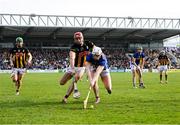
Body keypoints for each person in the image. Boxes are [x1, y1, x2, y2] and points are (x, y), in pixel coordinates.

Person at [60, 32, 94, 103]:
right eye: (76, 39)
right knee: (62, 82)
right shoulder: (73, 47)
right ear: (74, 39)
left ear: (82, 38)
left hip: (82, 68)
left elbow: (94, 53)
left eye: (80, 38)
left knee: (75, 79)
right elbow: (72, 58)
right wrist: (72, 69)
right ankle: (72, 77)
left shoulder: (88, 45)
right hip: (73, 67)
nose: (78, 40)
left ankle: (65, 97)